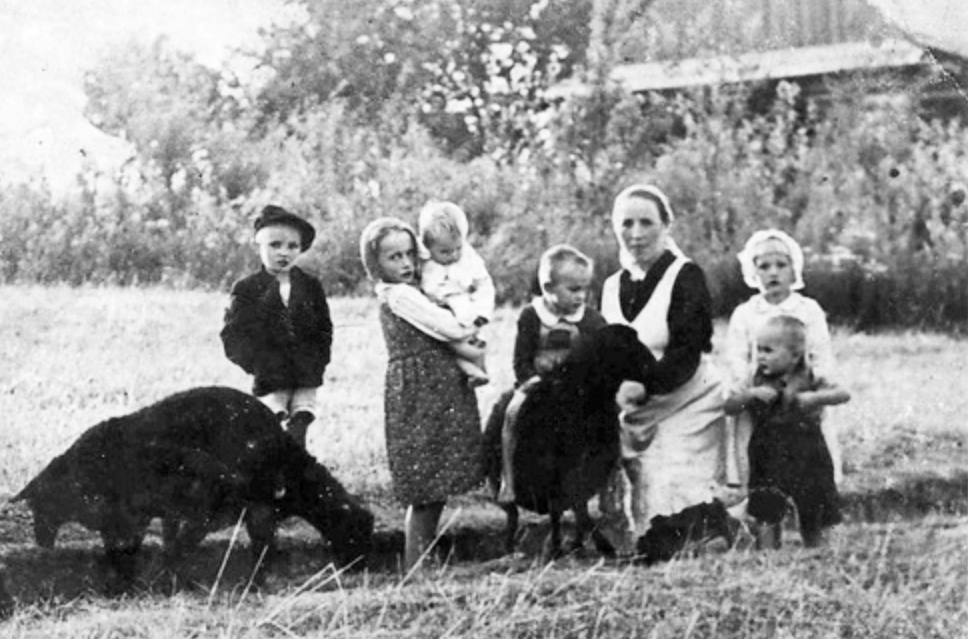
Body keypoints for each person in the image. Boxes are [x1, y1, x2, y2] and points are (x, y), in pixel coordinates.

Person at [598, 184, 730, 553]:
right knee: (628, 493)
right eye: (626, 223)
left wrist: (642, 386)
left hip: (687, 398)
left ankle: (707, 531)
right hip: (634, 408)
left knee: (663, 485)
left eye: (646, 222)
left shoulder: (686, 276)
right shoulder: (610, 287)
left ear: (665, 225)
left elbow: (687, 354)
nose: (636, 234)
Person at [359, 216, 484, 571]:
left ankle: (423, 556)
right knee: (425, 480)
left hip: (437, 386)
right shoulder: (399, 296)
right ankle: (416, 561)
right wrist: (467, 322)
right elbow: (446, 327)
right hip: (420, 391)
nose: (405, 264)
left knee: (436, 475)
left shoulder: (414, 289)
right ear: (376, 264)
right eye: (393, 257)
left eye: (409, 255)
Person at [724, 229, 843, 492]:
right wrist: (749, 392)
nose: (773, 273)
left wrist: (815, 393)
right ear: (753, 272)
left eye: (781, 265)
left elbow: (821, 356)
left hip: (802, 407)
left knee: (812, 489)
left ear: (794, 269)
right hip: (760, 411)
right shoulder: (745, 314)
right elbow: (737, 362)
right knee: (763, 491)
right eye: (764, 266)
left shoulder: (808, 310)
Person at [724, 314, 850, 549]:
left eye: (768, 350)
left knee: (815, 503)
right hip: (767, 451)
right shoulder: (754, 379)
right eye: (758, 350)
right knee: (766, 506)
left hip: (808, 450)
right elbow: (729, 407)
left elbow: (843, 394)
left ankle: (817, 550)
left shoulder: (811, 376)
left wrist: (815, 397)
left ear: (794, 356)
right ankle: (768, 553)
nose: (761, 356)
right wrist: (750, 395)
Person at [496, 244, 607, 503]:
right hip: (537, 384)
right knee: (512, 415)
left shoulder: (590, 319)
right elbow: (521, 359)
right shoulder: (532, 316)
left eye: (585, 289)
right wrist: (531, 381)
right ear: (548, 288)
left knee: (603, 421)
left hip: (576, 386)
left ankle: (602, 485)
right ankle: (508, 480)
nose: (581, 296)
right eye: (573, 289)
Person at [221, 205, 333, 448]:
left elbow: (324, 328)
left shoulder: (310, 285)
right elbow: (233, 334)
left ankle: (296, 473)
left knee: (301, 420)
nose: (284, 253)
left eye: (292, 246)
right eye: (275, 245)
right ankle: (269, 475)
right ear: (259, 245)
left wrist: (318, 360)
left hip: (305, 371)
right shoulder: (247, 288)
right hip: (269, 373)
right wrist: (257, 363)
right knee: (269, 422)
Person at [417, 200, 496, 386]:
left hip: (464, 307)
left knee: (473, 340)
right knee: (446, 345)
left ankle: (478, 369)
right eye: (444, 251)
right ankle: (471, 370)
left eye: (458, 248)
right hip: (434, 309)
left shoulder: (469, 258)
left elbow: (484, 284)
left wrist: (483, 312)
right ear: (428, 247)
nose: (453, 255)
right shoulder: (422, 260)